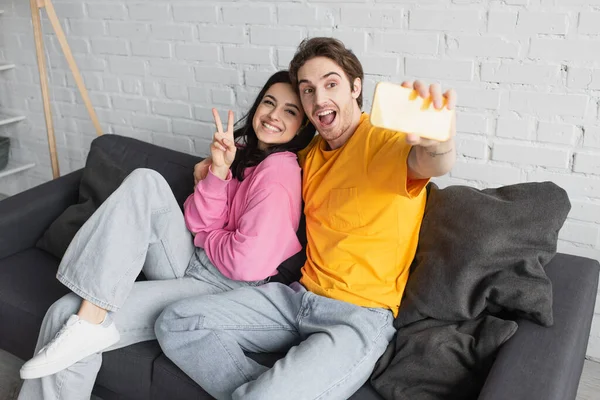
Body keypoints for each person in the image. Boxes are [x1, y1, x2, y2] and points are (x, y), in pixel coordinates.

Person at [155, 37, 458, 400]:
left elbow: (431, 162)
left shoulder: (383, 142)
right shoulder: (307, 155)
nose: (318, 99)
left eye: (331, 84)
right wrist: (217, 169)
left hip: (357, 316)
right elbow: (259, 178)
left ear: (355, 88)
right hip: (295, 299)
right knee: (176, 322)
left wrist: (439, 142)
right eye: (308, 90)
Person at [17, 70, 315, 400]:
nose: (274, 115)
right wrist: (217, 172)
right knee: (146, 181)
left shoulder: (280, 171)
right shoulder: (244, 157)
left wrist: (206, 236)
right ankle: (89, 318)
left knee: (63, 315)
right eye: (269, 103)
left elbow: (245, 264)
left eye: (290, 111)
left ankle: (86, 322)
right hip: (196, 264)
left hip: (222, 288)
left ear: (302, 126)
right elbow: (194, 219)